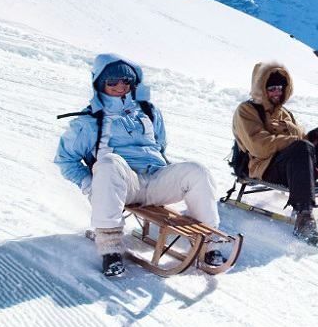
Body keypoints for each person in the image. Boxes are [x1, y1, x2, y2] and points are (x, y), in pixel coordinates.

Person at [55, 54, 226, 277]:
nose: (120, 87)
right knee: (108, 162)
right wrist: (91, 184)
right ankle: (110, 250)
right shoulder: (88, 122)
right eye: (112, 82)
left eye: (125, 81)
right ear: (99, 83)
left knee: (197, 170)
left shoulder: (148, 112)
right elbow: (66, 160)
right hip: (122, 185)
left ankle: (209, 242)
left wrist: (168, 172)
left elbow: (160, 146)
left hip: (155, 181)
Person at [232, 61, 318, 248]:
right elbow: (258, 146)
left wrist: (312, 138)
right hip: (267, 168)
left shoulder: (284, 113)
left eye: (280, 87)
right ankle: (304, 218)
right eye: (271, 88)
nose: (277, 92)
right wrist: (299, 142)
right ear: (260, 88)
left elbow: (300, 142)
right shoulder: (246, 111)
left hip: (298, 168)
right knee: (301, 147)